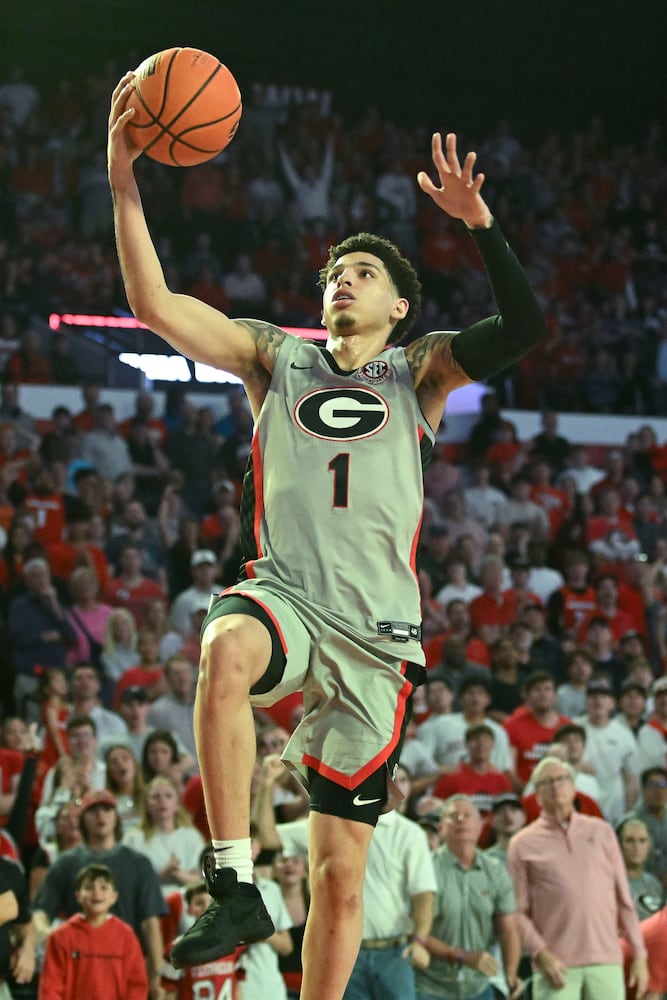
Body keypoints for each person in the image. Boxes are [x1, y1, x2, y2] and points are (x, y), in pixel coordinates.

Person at [109, 70, 545, 999]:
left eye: (363, 274)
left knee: (342, 881)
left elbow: (526, 326)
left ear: (399, 306)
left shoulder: (418, 371)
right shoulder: (278, 355)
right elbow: (154, 305)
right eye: (333, 274)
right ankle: (232, 882)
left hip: (378, 641)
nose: (340, 281)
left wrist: (479, 225)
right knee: (226, 646)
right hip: (290, 597)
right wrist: (122, 173)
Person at [507, 755, 648, 1000]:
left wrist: (639, 955)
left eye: (561, 779)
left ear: (573, 787)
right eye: (546, 782)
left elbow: (624, 900)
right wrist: (541, 954)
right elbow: (517, 912)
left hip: (606, 961)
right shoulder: (522, 843)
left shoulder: (602, 832)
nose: (555, 786)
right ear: (537, 795)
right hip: (556, 965)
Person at [415, 794, 522, 1000]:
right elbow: (418, 932)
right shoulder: (426, 869)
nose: (461, 820)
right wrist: (463, 956)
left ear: (481, 826)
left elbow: (509, 929)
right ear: (441, 828)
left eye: (468, 815)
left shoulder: (495, 871)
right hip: (430, 987)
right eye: (453, 816)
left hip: (478, 986)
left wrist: (511, 973)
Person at [38, 862, 148, 1000]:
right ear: (78, 896)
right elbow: (50, 986)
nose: (96, 893)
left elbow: (136, 984)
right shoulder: (61, 936)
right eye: (89, 888)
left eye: (103, 888)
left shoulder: (126, 936)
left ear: (114, 897)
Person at [616, 816, 664, 921]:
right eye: (630, 840)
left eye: (642, 840)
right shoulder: (611, 884)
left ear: (649, 845)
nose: (636, 847)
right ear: (619, 845)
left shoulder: (654, 884)